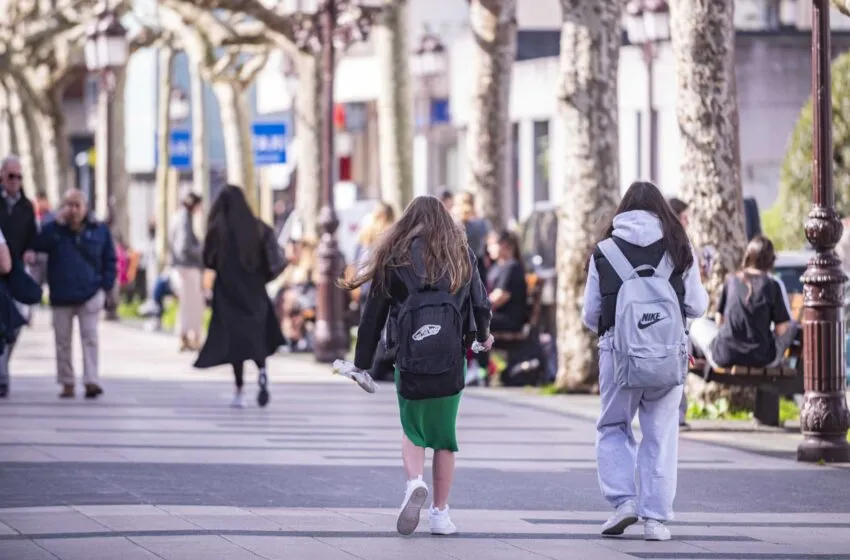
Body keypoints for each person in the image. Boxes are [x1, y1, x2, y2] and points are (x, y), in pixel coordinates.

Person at [342, 195, 493, 537]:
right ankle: (440, 514)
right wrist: (483, 337)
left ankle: (414, 482)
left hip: (409, 358)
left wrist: (362, 364)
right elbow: (481, 303)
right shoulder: (460, 254)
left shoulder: (395, 257)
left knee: (413, 430)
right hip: (451, 360)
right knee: (445, 437)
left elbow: (372, 316)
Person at [582, 181, 708, 542]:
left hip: (618, 356)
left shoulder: (605, 250)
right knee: (661, 434)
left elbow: (591, 314)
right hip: (667, 357)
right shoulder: (679, 247)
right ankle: (656, 520)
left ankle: (623, 501)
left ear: (622, 210)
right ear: (661, 211)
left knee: (613, 426)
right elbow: (697, 305)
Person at [194, 185, 286, 409]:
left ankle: (239, 390)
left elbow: (208, 260)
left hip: (228, 293)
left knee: (236, 344)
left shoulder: (218, 231)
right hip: (255, 292)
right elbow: (276, 261)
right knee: (257, 338)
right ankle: (262, 370)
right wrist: (262, 278)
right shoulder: (259, 228)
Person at [31, 189, 116, 399]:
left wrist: (104, 287)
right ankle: (66, 382)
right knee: (62, 342)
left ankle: (91, 380)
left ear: (86, 207)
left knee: (90, 338)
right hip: (61, 295)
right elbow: (37, 243)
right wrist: (56, 224)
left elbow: (110, 260)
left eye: (78, 205)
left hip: (90, 293)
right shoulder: (54, 230)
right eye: (69, 205)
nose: (74, 210)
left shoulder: (99, 230)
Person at [689, 234, 795, 371]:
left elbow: (719, 321)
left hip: (725, 356)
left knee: (697, 324)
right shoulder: (772, 285)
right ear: (771, 261)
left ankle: (690, 359)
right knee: (792, 326)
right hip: (762, 358)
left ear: (748, 256)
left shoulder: (731, 280)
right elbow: (781, 330)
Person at [0, 155, 37, 398]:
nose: (15, 181)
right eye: (11, 176)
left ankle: (3, 364)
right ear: (2, 176)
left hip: (17, 271)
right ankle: (2, 376)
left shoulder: (26, 207)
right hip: (0, 269)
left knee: (15, 323)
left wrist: (31, 250)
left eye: (19, 177)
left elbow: (33, 235)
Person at [352, 203, 396, 381]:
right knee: (384, 326)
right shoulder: (391, 232)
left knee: (368, 323)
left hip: (365, 284)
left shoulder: (366, 232)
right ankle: (381, 365)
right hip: (383, 283)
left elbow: (356, 259)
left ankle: (366, 364)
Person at [668, 196, 693, 430]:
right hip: (677, 323)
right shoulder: (683, 247)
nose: (688, 222)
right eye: (685, 217)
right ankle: (679, 413)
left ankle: (677, 413)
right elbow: (695, 302)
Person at [169, 190, 205, 351]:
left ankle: (185, 336)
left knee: (185, 303)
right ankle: (191, 336)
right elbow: (184, 246)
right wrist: (201, 250)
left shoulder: (177, 216)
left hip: (180, 266)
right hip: (188, 266)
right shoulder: (185, 218)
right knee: (194, 304)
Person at [486, 230, 528, 332]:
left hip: (508, 319)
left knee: (468, 321)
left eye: (491, 244)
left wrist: (475, 308)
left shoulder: (512, 267)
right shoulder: (497, 266)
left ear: (504, 245)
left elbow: (500, 297)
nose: (488, 249)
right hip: (496, 316)